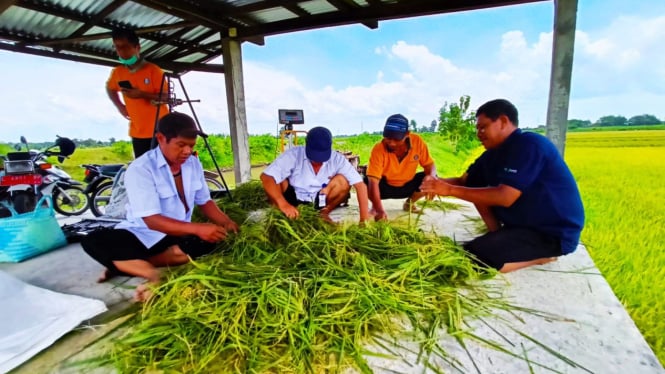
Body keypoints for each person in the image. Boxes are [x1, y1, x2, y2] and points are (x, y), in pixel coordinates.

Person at [81, 112, 239, 301]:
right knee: (94, 240)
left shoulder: (193, 164)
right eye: (181, 145)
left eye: (191, 146)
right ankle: (153, 275)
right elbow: (151, 220)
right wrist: (197, 227)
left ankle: (125, 263)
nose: (188, 151)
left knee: (211, 241)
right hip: (141, 232)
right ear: (161, 139)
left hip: (177, 232)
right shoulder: (141, 169)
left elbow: (205, 201)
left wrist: (228, 223)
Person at [420, 99, 584, 273]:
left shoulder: (530, 145)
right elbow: (464, 182)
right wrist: (433, 183)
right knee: (476, 194)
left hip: (551, 232)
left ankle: (539, 259)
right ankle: (497, 234)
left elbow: (505, 197)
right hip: (520, 226)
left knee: (472, 258)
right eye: (477, 128)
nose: (478, 133)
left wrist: (448, 190)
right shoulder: (492, 154)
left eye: (483, 127)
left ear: (504, 121)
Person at [260, 126, 371, 222]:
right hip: (293, 197)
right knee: (277, 180)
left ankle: (325, 212)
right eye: (314, 156)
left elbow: (360, 186)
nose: (317, 161)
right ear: (306, 145)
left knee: (343, 181)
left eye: (321, 156)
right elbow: (266, 177)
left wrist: (363, 220)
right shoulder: (293, 155)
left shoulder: (337, 159)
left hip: (321, 198)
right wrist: (283, 204)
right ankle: (281, 212)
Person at [106, 28, 169, 158]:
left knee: (161, 171)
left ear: (137, 48)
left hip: (160, 131)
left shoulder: (153, 70)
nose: (121, 51)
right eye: (117, 47)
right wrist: (120, 106)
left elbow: (166, 97)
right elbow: (110, 88)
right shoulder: (118, 72)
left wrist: (142, 94)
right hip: (137, 132)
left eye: (125, 47)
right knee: (143, 172)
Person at [366, 114, 437, 220]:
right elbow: (373, 181)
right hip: (385, 187)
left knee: (430, 178)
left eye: (396, 139)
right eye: (388, 138)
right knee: (365, 182)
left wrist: (432, 178)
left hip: (407, 186)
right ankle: (375, 207)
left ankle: (409, 204)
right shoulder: (379, 149)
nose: (391, 143)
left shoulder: (417, 142)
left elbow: (429, 165)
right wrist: (379, 209)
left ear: (407, 134)